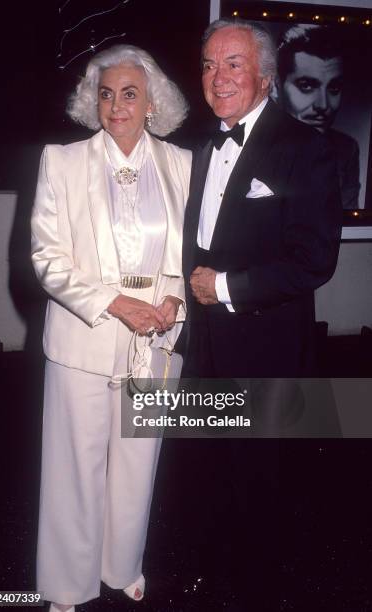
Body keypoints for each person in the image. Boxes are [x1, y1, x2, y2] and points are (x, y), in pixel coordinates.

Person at [180, 19, 342, 608]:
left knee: (261, 481)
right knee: (210, 472)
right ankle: (213, 577)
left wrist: (225, 286)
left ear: (267, 77)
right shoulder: (202, 146)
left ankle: (257, 592)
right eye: (208, 64)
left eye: (233, 64)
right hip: (206, 347)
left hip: (265, 346)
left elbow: (315, 259)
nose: (217, 77)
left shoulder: (305, 147)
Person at [31, 44, 191, 612]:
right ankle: (66, 585)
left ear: (152, 103)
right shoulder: (62, 160)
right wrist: (114, 303)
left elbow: (187, 254)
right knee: (74, 463)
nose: (117, 106)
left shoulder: (182, 164)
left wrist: (174, 301)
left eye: (130, 94)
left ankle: (122, 564)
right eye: (106, 94)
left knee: (137, 459)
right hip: (84, 334)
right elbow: (49, 259)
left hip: (155, 339)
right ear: (92, 101)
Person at [272, 24, 360, 209]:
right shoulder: (251, 143)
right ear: (275, 86)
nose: (323, 105)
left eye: (334, 88)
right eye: (306, 85)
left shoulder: (346, 150)